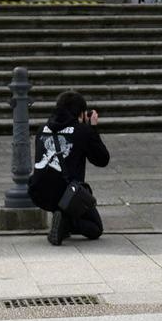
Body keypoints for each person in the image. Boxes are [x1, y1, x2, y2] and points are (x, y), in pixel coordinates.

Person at [29, 91, 108, 246]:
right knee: (95, 228)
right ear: (81, 113)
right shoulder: (82, 131)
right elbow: (102, 159)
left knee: (55, 179)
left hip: (38, 192)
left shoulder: (42, 129)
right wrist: (92, 128)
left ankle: (61, 220)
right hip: (67, 195)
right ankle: (66, 221)